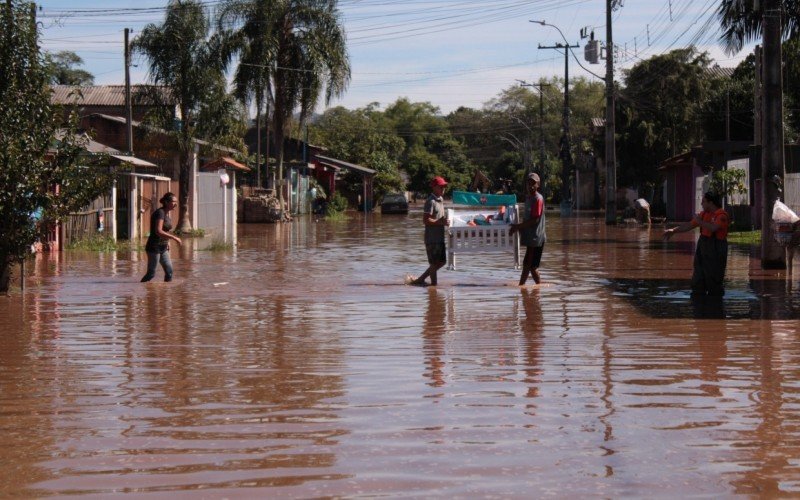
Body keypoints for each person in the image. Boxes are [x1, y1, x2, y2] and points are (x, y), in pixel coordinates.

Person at [663, 191, 729, 296]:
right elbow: (689, 225)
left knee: (714, 279)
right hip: (703, 249)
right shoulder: (703, 215)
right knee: (698, 278)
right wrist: (673, 230)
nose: (701, 204)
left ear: (710, 203)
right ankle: (698, 305)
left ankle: (715, 307)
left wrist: (700, 222)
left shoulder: (721, 215)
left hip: (716, 250)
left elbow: (714, 228)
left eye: (703, 202)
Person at [410, 176, 450, 286]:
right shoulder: (430, 201)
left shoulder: (440, 200)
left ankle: (420, 280)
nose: (443, 189)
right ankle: (433, 287)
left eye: (444, 187)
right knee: (434, 263)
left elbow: (439, 219)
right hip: (432, 238)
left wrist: (445, 221)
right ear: (434, 188)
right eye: (440, 187)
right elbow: (425, 220)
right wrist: (440, 222)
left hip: (439, 237)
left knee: (442, 262)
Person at [510, 172, 546, 286]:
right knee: (532, 267)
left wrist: (517, 227)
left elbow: (535, 220)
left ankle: (521, 288)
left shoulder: (538, 199)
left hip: (536, 238)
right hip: (531, 237)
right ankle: (538, 289)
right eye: (529, 183)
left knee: (527, 265)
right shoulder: (529, 198)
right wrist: (519, 227)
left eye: (533, 183)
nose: (531, 186)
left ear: (538, 185)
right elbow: (528, 217)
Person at [141, 192, 182, 282]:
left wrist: (168, 242)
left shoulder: (166, 214)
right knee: (151, 274)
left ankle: (165, 293)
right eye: (173, 202)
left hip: (163, 247)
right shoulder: (160, 213)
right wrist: (175, 238)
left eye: (176, 202)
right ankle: (141, 289)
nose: (176, 204)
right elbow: (158, 231)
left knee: (169, 272)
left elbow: (166, 230)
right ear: (166, 202)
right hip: (154, 247)